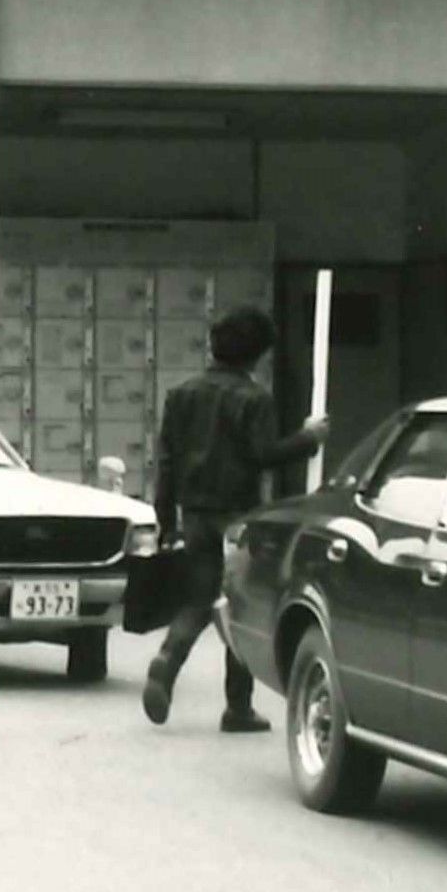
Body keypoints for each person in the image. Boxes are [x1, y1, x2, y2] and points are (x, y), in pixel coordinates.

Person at [142, 305, 328, 733]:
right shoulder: (255, 399)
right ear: (259, 354)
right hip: (238, 516)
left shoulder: (182, 394)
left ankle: (168, 659)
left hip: (195, 514)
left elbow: (166, 464)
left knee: (198, 597)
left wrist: (165, 519)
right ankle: (237, 707)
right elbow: (263, 455)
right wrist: (308, 438)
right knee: (237, 603)